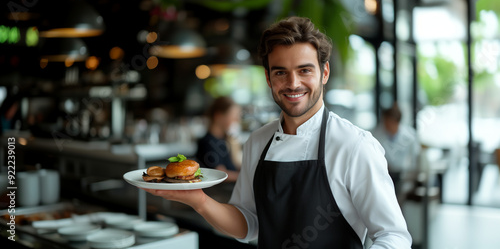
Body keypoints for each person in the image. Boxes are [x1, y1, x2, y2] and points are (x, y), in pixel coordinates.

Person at [141, 16, 412, 248]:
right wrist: (198, 200)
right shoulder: (258, 142)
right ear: (269, 78)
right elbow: (248, 224)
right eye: (281, 73)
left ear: (324, 72)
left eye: (305, 70)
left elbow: (393, 235)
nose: (293, 84)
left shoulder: (354, 145)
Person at [371, 102, 421, 197]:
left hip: (404, 175)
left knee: (397, 189)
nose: (384, 124)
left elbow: (414, 160)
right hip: (384, 173)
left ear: (395, 121)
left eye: (387, 121)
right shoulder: (376, 134)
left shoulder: (410, 136)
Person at [195, 96, 241, 182]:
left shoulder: (227, 139)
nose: (237, 120)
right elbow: (221, 174)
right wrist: (246, 177)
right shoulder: (207, 143)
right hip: (218, 193)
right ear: (218, 116)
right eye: (233, 116)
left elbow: (236, 164)